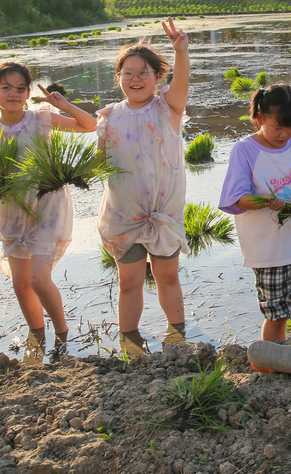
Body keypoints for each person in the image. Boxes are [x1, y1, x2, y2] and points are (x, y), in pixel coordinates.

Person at [0, 61, 96, 355]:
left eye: (19, 88)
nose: (13, 94)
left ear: (28, 93)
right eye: (6, 88)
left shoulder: (40, 120)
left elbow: (89, 126)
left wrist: (62, 104)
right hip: (12, 213)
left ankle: (63, 335)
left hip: (46, 210)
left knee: (39, 278)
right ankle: (37, 337)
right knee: (21, 283)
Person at [96, 19, 190, 353]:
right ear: (118, 78)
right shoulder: (108, 116)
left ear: (157, 77)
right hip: (123, 215)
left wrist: (181, 51)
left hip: (162, 213)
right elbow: (99, 165)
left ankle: (177, 335)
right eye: (128, 73)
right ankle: (130, 341)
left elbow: (181, 83)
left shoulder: (168, 110)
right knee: (130, 282)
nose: (135, 79)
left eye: (143, 72)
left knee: (167, 277)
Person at [218, 84, 291, 345]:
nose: (285, 134)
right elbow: (236, 197)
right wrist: (264, 201)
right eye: (278, 127)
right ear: (260, 119)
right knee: (277, 315)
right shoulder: (245, 151)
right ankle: (271, 366)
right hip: (269, 251)